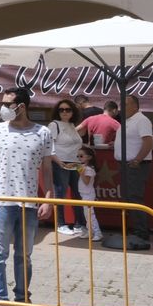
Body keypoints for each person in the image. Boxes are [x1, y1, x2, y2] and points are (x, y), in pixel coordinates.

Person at [0, 86, 58, 306]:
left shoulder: (42, 132)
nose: (2, 108)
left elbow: (46, 168)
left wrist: (49, 198)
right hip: (3, 199)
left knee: (24, 254)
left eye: (7, 103)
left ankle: (22, 301)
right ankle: (0, 301)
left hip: (29, 202)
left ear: (21, 106)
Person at [114, 94, 153, 246]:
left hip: (135, 165)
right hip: (125, 165)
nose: (122, 107)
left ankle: (141, 233)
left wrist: (137, 159)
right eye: (121, 104)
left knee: (134, 198)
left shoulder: (141, 120)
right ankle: (135, 230)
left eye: (126, 104)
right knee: (128, 198)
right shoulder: (126, 121)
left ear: (135, 106)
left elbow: (148, 141)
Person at [47, 98, 87, 237]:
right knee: (61, 193)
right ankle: (61, 224)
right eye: (61, 109)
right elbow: (48, 147)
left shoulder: (71, 125)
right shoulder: (54, 125)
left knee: (79, 193)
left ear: (72, 112)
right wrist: (58, 162)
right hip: (61, 162)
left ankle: (80, 223)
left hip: (76, 164)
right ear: (57, 112)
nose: (64, 112)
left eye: (68, 109)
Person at [73, 145, 103, 242]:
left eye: (81, 156)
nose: (79, 158)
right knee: (87, 215)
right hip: (84, 194)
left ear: (89, 157)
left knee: (90, 215)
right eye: (78, 156)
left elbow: (86, 181)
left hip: (88, 195)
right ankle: (90, 232)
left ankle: (97, 233)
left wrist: (81, 172)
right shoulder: (84, 167)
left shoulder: (89, 169)